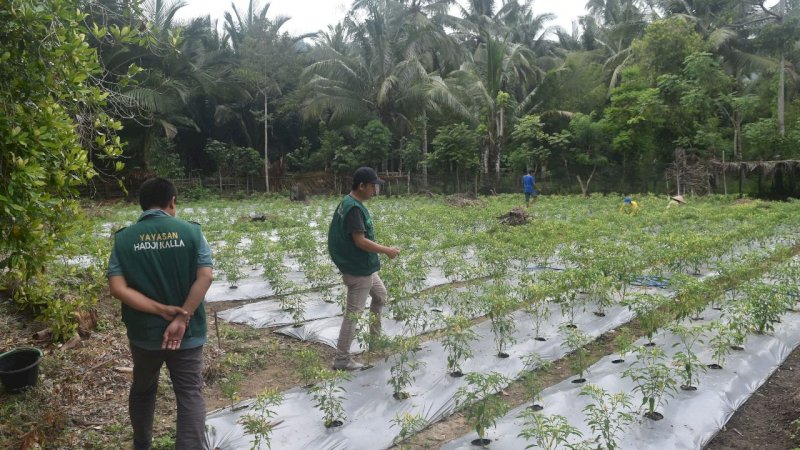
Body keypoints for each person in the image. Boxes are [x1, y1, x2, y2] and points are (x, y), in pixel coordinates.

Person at [107, 177, 213, 450]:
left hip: (144, 334)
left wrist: (159, 310)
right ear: (172, 202)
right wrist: (181, 316)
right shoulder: (191, 233)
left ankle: (142, 444)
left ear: (142, 206)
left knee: (143, 389)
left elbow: (118, 288)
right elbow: (205, 277)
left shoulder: (124, 239)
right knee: (189, 393)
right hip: (187, 333)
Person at [328, 167, 400, 370]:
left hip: (363, 266)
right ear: (361, 186)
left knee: (380, 296)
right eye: (372, 186)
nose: (374, 190)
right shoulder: (354, 209)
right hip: (357, 268)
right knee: (353, 313)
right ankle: (341, 359)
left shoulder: (349, 202)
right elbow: (359, 241)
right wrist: (387, 250)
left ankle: (374, 341)